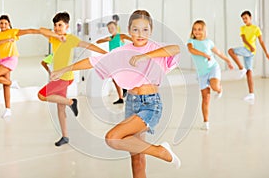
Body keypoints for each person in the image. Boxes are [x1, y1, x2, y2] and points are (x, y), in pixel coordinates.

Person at [51, 10, 181, 177]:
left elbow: (176, 48)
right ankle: (158, 152)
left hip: (150, 104)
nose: (140, 34)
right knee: (136, 157)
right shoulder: (122, 51)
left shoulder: (155, 48)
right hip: (132, 103)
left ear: (151, 30)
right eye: (135, 29)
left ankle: (161, 152)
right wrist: (65, 69)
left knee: (113, 138)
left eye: (145, 30)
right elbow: (93, 61)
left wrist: (144, 56)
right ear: (128, 30)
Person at [38, 12, 107, 147]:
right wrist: (56, 35)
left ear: (67, 26)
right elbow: (41, 30)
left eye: (60, 25)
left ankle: (71, 102)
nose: (57, 27)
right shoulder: (54, 38)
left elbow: (87, 45)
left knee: (41, 95)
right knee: (60, 108)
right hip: (59, 76)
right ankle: (65, 136)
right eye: (55, 25)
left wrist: (104, 53)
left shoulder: (71, 39)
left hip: (64, 77)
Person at [0, 15, 41, 118]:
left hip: (11, 59)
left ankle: (12, 83)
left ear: (9, 24)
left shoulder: (13, 32)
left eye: (5, 23)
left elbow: (29, 31)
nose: (3, 25)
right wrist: (7, 40)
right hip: (2, 60)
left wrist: (41, 31)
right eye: (1, 23)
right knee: (5, 85)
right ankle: (8, 109)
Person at [187, 20, 234, 130]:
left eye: (199, 29)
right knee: (205, 98)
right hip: (201, 73)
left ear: (204, 30)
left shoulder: (209, 42)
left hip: (212, 68)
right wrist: (204, 54)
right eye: (195, 29)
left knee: (214, 86)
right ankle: (206, 122)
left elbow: (219, 53)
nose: (197, 31)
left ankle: (219, 89)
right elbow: (191, 50)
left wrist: (228, 61)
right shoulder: (191, 42)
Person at [228, 10, 269, 102]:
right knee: (249, 72)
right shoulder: (242, 28)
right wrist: (250, 46)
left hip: (250, 51)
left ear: (250, 18)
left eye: (246, 18)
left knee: (230, 51)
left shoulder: (256, 28)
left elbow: (261, 41)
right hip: (248, 50)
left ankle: (241, 68)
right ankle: (251, 94)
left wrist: (266, 53)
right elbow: (244, 40)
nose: (244, 20)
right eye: (243, 19)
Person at [96, 21, 132, 104]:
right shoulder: (110, 38)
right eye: (109, 28)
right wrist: (106, 39)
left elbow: (130, 39)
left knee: (120, 77)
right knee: (114, 79)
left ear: (116, 28)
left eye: (112, 28)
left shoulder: (120, 36)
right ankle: (120, 98)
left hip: (121, 60)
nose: (110, 30)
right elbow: (98, 42)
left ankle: (125, 89)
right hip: (113, 61)